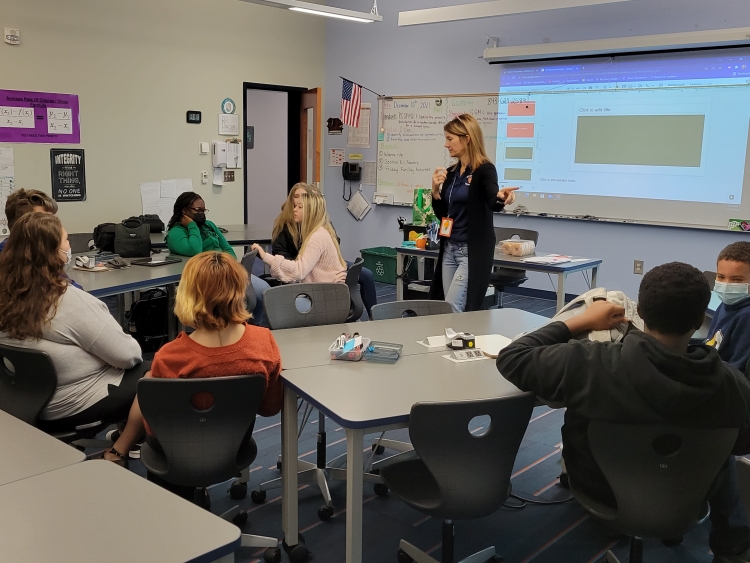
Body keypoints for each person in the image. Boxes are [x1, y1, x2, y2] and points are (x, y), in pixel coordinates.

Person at [496, 262, 750, 562]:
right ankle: (732, 543)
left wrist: (579, 321)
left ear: (639, 311)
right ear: (699, 320)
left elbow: (512, 357)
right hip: (690, 493)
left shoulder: (589, 365)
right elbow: (741, 445)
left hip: (601, 490)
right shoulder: (733, 383)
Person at [106, 251, 283, 467]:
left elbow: (154, 427)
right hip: (236, 448)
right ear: (241, 291)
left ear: (187, 295)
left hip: (175, 454)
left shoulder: (170, 357)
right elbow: (270, 408)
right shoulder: (264, 341)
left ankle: (119, 450)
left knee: (149, 377)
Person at [0, 213, 148, 463]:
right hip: (70, 406)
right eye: (66, 240)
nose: (69, 247)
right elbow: (128, 356)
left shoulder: (7, 296)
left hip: (21, 401)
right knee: (155, 373)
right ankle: (122, 448)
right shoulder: (68, 301)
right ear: (53, 252)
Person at [428, 114, 518, 312]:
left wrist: (502, 198)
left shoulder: (485, 170)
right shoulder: (451, 174)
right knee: (447, 308)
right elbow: (444, 215)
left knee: (453, 307)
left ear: (467, 138)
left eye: (450, 139)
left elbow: (493, 200)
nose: (446, 144)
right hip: (449, 249)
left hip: (470, 252)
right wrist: (435, 192)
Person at [271, 183, 378, 317]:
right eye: (296, 196)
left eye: (304, 196)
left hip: (323, 264)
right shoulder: (285, 224)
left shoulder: (321, 224)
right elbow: (280, 254)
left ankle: (375, 316)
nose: (299, 200)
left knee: (366, 275)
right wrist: (304, 262)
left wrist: (337, 271)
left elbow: (335, 243)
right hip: (301, 268)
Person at [165, 191, 270, 324]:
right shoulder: (176, 233)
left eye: (204, 210)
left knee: (265, 291)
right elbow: (195, 250)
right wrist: (192, 225)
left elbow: (227, 249)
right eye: (198, 210)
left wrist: (230, 265)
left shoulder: (209, 225)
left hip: (226, 269)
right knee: (255, 293)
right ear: (184, 211)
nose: (202, 214)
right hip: (209, 275)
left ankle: (256, 327)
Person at [252, 191, 346, 284]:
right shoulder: (320, 231)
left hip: (325, 291)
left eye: (300, 207)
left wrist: (265, 256)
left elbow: (298, 271)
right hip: (325, 289)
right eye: (295, 206)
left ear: (310, 212)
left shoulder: (317, 237)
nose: (294, 209)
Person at [0, 188, 82, 289]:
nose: (53, 226)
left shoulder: (41, 254)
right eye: (43, 221)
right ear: (22, 224)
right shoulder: (13, 261)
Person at [707, 242, 750, 372]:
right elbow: (711, 343)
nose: (726, 285)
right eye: (721, 277)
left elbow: (737, 371)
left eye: (737, 280)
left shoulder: (746, 316)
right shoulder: (728, 303)